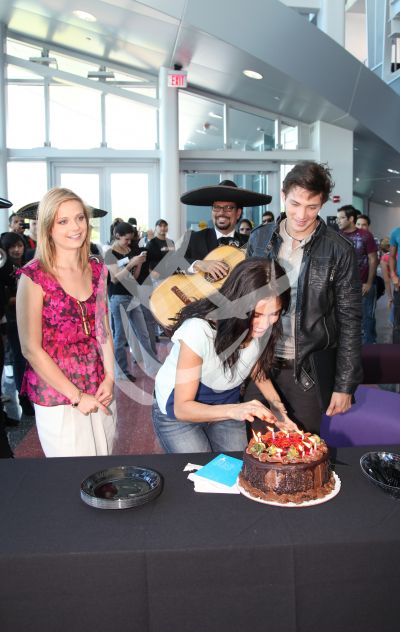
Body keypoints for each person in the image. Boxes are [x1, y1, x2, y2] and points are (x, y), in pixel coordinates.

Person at [247, 161, 362, 433]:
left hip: (307, 371)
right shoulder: (260, 239)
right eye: (295, 204)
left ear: (322, 204)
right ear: (283, 195)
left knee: (302, 452)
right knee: (256, 451)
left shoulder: (339, 250)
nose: (301, 215)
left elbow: (351, 321)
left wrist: (344, 385)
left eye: (312, 207)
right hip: (259, 366)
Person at [152, 257, 298, 453]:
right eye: (256, 315)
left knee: (235, 467)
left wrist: (278, 411)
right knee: (200, 468)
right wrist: (236, 410)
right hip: (179, 410)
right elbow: (182, 408)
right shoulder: (199, 330)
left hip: (225, 402)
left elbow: (256, 368)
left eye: (275, 313)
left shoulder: (263, 328)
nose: (265, 325)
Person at [16, 187, 116, 457]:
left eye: (80, 218)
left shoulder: (97, 271)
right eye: (63, 221)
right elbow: (30, 349)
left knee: (104, 470)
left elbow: (102, 330)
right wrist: (76, 396)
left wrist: (110, 376)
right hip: (57, 392)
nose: (76, 227)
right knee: (71, 477)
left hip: (99, 385)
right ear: (48, 228)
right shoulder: (34, 276)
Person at [180, 179, 271, 281]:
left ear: (238, 213)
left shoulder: (250, 243)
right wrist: (199, 264)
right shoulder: (194, 238)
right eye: (216, 207)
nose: (221, 213)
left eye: (228, 208)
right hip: (196, 296)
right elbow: (171, 264)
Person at [105, 221, 159, 379]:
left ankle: (152, 366)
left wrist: (139, 265)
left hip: (132, 295)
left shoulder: (129, 250)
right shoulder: (110, 253)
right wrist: (131, 264)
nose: (129, 243)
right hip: (118, 297)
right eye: (126, 239)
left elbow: (133, 278)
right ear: (117, 236)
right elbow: (115, 278)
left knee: (143, 334)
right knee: (120, 337)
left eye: (130, 239)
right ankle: (121, 372)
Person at [0, 232, 34, 416]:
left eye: (19, 245)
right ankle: (24, 399)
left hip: (30, 317)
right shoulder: (3, 268)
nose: (16, 249)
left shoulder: (27, 264)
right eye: (12, 247)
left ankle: (30, 395)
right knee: (20, 359)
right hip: (12, 319)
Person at [337, 204, 378, 344]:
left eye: (342, 218)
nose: (338, 221)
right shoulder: (338, 236)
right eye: (338, 218)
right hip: (344, 287)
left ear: (351, 219)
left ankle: (370, 352)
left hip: (364, 285)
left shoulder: (365, 235)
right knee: (346, 321)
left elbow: (373, 259)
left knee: (367, 320)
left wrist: (369, 283)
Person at [389, 224, 400, 343]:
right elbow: (391, 256)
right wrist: (393, 275)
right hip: (399, 283)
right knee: (398, 323)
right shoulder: (396, 232)